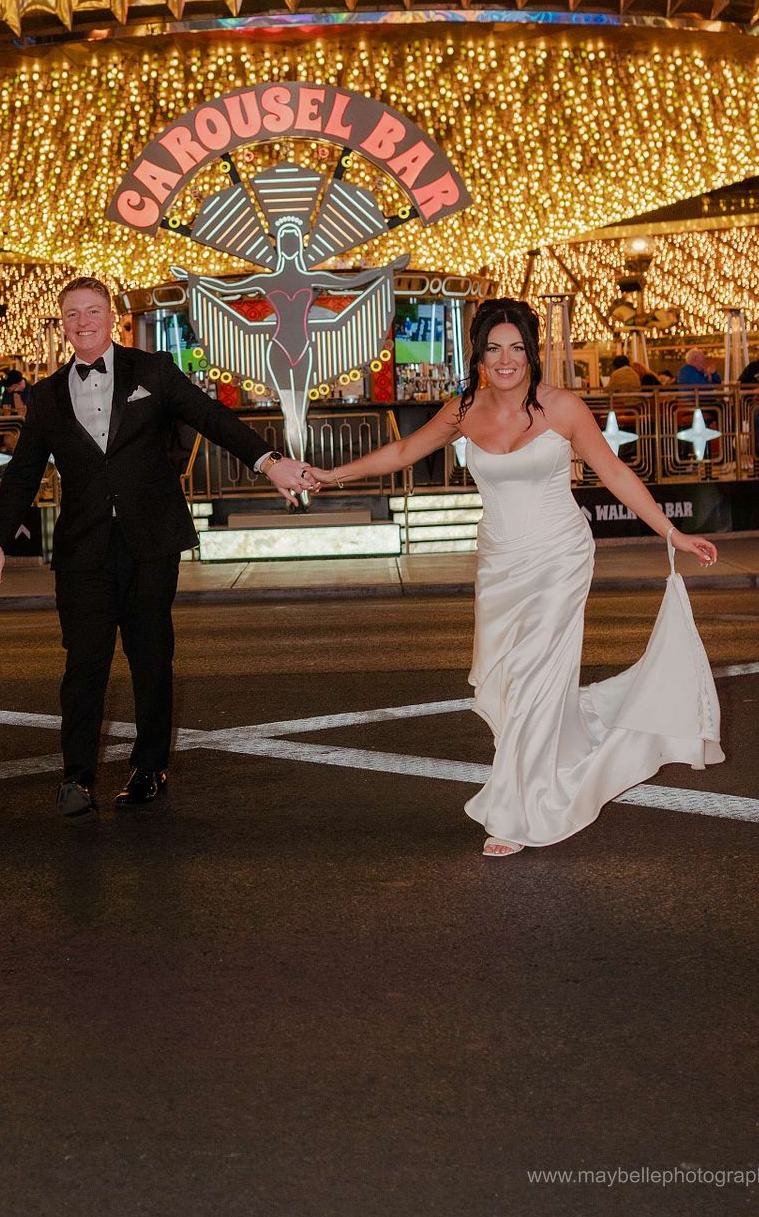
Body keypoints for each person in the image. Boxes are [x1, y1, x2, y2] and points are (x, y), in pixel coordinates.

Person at [310, 298, 723, 857]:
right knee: (506, 686)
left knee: (531, 676)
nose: (506, 359)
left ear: (532, 353)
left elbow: (616, 472)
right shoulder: (462, 410)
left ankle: (516, 812)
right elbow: (406, 450)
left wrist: (669, 533)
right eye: (494, 348)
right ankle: (555, 753)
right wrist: (332, 475)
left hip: (559, 556)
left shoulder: (562, 408)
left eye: (517, 348)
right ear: (479, 354)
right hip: (500, 562)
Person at [0, 276, 316, 819]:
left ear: (113, 319)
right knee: (84, 662)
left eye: (93, 311)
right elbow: (22, 475)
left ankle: (149, 768)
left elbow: (212, 418)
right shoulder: (44, 397)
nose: (83, 322)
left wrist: (269, 463)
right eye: (72, 314)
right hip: (83, 550)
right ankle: (76, 776)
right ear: (62, 324)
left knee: (151, 657)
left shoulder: (152, 371)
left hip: (151, 541)